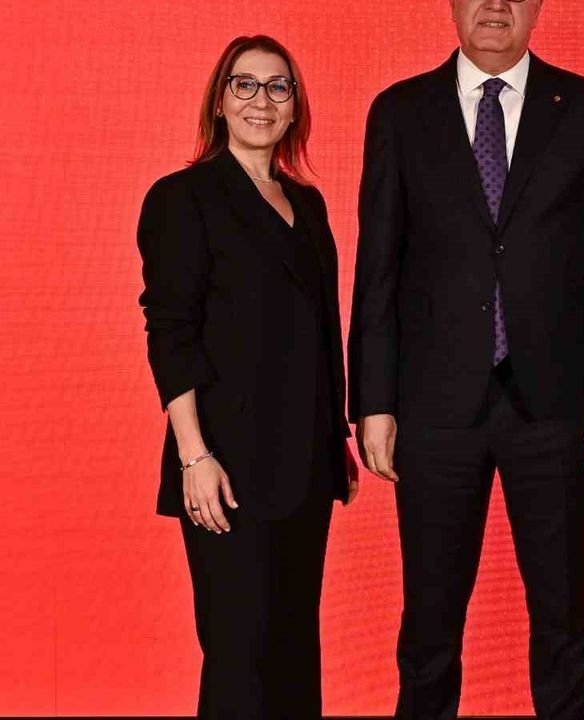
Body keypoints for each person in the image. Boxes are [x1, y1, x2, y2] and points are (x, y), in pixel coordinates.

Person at [347, 0, 584, 717]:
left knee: (564, 617)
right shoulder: (399, 112)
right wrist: (373, 402)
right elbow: (377, 268)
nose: (496, 5)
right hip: (433, 407)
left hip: (558, 405)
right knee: (429, 623)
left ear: (538, 7)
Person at [136, 35, 357, 719]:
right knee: (240, 655)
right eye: (245, 84)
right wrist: (193, 456)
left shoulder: (308, 205)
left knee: (293, 650)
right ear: (221, 101)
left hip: (306, 465)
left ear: (294, 106)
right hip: (225, 464)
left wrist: (335, 441)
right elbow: (170, 332)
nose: (262, 100)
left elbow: (320, 334)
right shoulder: (183, 198)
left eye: (278, 87)